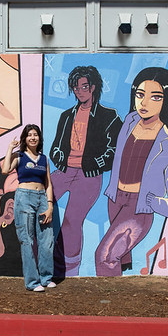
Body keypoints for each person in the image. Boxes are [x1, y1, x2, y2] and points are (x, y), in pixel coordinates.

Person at [95, 67, 168, 276]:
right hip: (115, 199)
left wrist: (150, 201)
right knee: (119, 259)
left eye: (156, 97)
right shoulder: (130, 121)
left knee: (105, 256)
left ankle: (108, 297)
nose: (144, 103)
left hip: (138, 208)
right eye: (140, 94)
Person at [50, 65, 122, 276]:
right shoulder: (66, 116)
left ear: (93, 87)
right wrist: (60, 158)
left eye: (84, 87)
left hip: (88, 176)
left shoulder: (109, 116)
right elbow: (55, 147)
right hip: (64, 172)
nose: (79, 92)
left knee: (72, 220)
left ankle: (69, 269)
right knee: (37, 203)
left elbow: (115, 150)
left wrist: (94, 163)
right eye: (76, 87)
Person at [2, 124, 56, 291]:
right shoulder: (19, 156)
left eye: (35, 135)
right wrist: (10, 148)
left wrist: (50, 205)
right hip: (24, 198)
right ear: (25, 139)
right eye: (29, 135)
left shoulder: (44, 159)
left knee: (46, 240)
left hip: (42, 199)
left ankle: (46, 278)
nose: (33, 138)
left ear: (39, 138)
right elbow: (5, 170)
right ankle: (32, 282)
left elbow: (48, 183)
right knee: (27, 240)